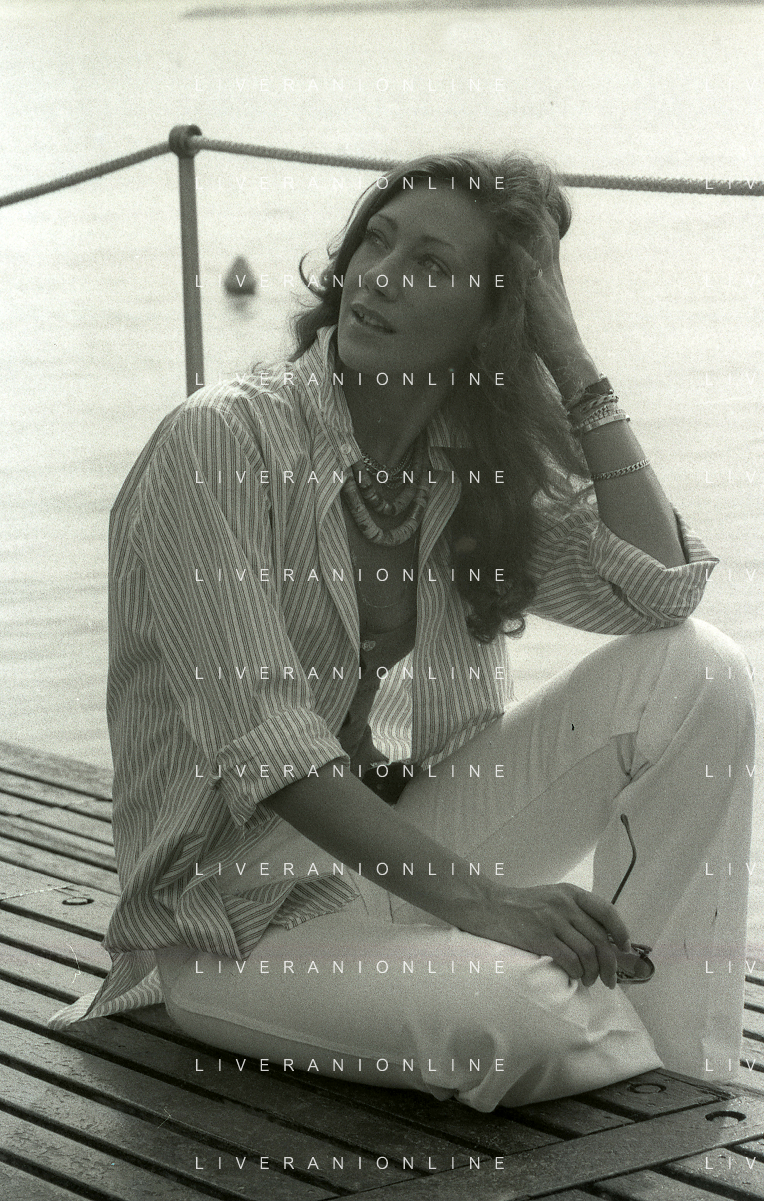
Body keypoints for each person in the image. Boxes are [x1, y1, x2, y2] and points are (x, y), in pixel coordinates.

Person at [49, 152, 755, 1112]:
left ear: (490, 318)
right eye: (376, 243)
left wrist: (568, 353)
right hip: (231, 920)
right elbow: (270, 745)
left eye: (429, 263)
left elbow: (659, 595)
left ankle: (684, 1075)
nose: (378, 276)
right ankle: (641, 1026)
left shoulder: (465, 462)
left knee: (700, 670)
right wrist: (490, 905)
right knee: (519, 1010)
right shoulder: (221, 441)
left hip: (394, 853)